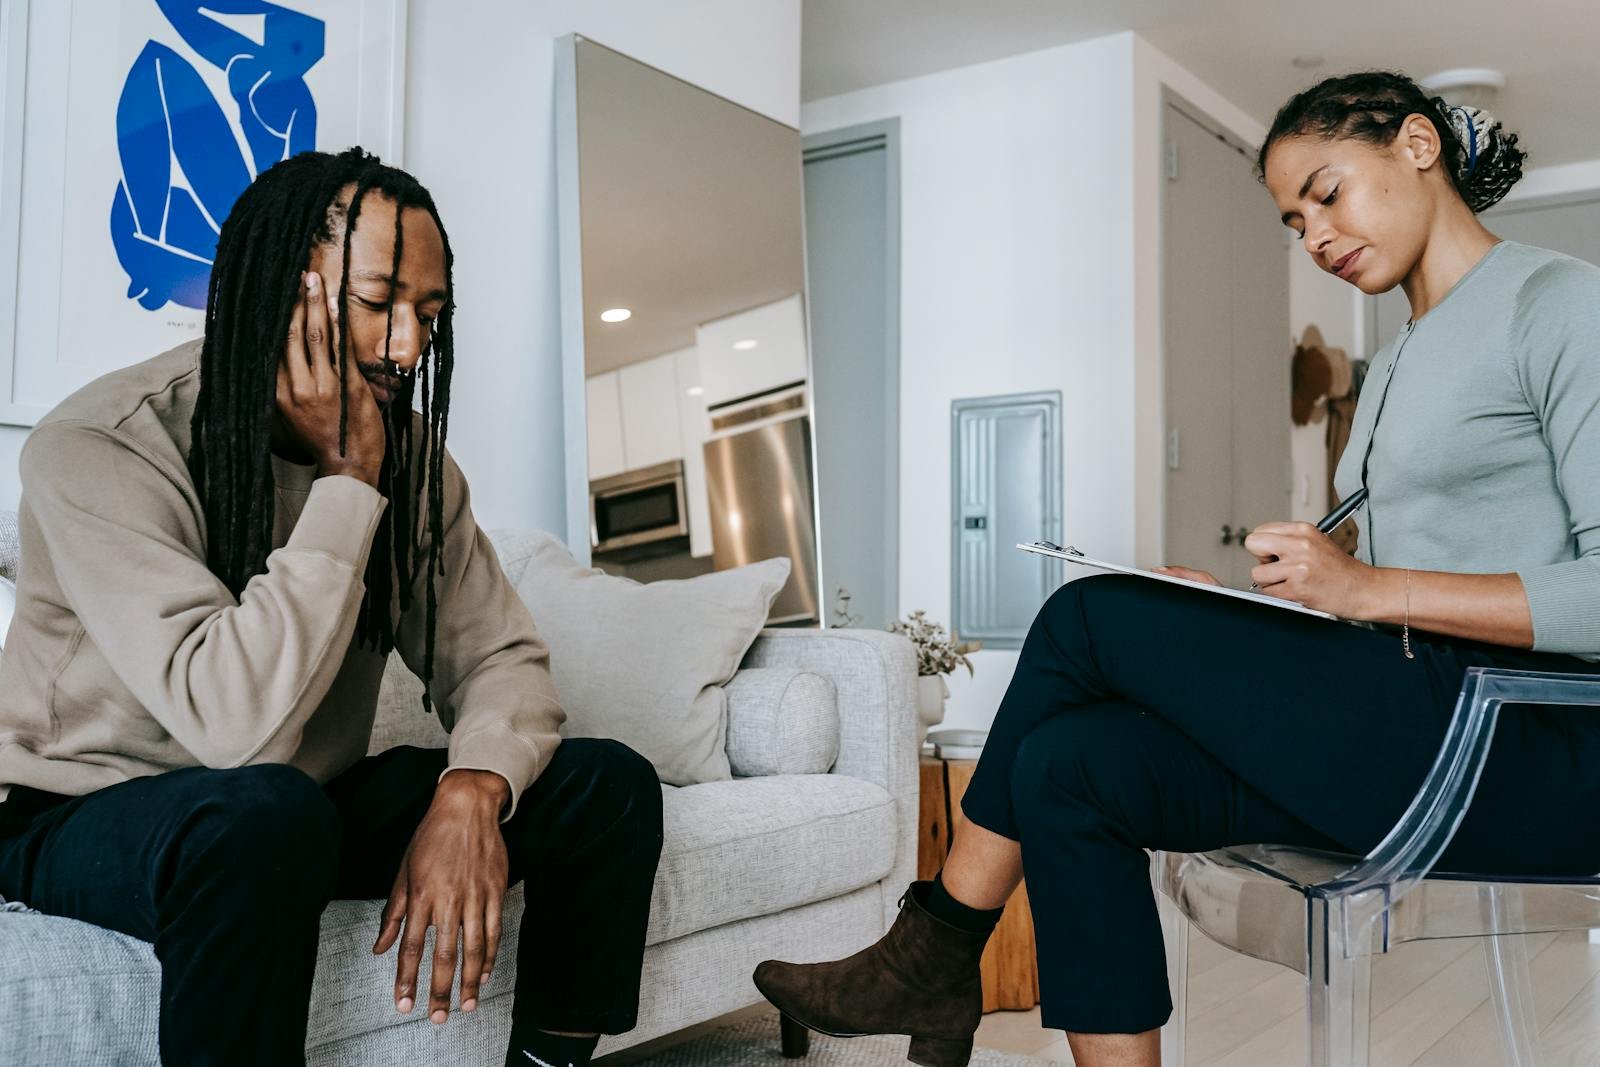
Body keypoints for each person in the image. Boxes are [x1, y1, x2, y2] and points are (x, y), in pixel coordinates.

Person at [754, 70, 1600, 1067]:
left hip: (1529, 745)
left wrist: (1361, 588)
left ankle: (935, 945)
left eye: (1326, 194)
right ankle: (950, 969)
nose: (1314, 236)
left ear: (1417, 145)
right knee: (1067, 765)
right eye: (1292, 222)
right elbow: (1370, 608)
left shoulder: (1561, 303)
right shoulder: (1397, 366)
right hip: (1414, 721)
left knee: (1087, 617)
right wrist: (1238, 610)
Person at [0, 147, 664, 1067]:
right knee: (263, 814)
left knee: (606, 787)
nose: (407, 347)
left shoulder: (417, 465)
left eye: (428, 316)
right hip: (86, 805)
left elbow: (502, 660)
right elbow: (231, 728)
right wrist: (349, 478)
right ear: (288, 287)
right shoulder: (103, 444)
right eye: (379, 301)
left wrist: (474, 788)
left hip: (296, 803)